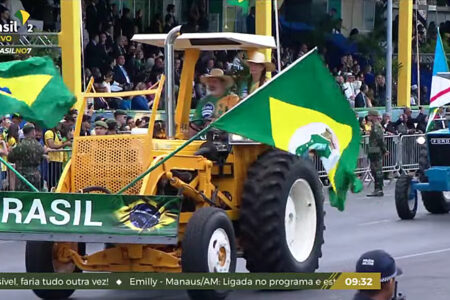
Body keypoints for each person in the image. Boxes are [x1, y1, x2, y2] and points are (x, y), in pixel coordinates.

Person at [7, 124, 44, 191]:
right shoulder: (39, 146)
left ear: (23, 133)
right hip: (36, 175)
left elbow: (10, 158)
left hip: (23, 176)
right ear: (33, 132)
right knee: (35, 196)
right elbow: (41, 158)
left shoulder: (21, 146)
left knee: (23, 197)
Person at [367, 110, 387, 197]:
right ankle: (377, 188)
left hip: (376, 151)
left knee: (377, 170)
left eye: (370, 115)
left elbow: (380, 140)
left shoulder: (377, 126)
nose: (368, 117)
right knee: (374, 170)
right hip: (373, 151)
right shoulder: (374, 126)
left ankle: (379, 189)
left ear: (374, 116)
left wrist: (384, 150)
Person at [45, 124, 71, 190]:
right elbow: (52, 145)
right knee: (52, 181)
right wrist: (65, 144)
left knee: (58, 181)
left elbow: (60, 144)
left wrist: (65, 142)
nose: (60, 125)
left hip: (59, 160)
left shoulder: (57, 133)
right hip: (52, 160)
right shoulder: (49, 133)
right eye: (58, 123)